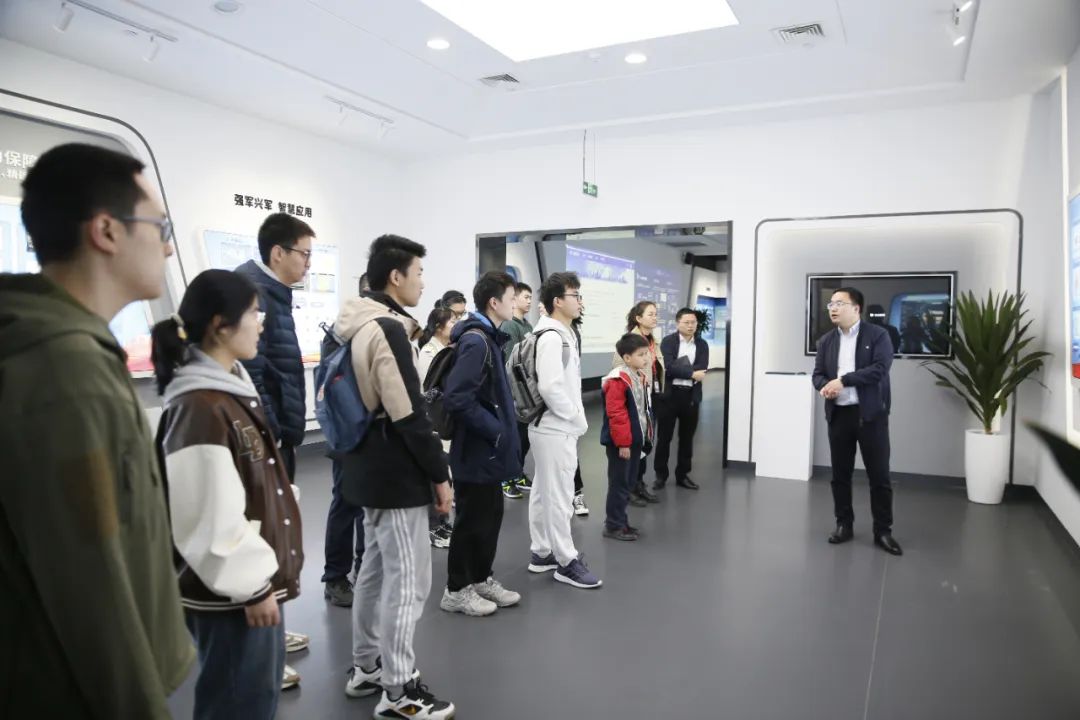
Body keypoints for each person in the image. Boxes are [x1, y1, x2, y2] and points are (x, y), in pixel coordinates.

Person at [0, 143, 194, 717]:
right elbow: (90, 583)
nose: (167, 245)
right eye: (160, 227)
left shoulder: (63, 350)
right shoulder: (67, 372)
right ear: (107, 231)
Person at [153, 269, 304, 720]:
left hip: (247, 589)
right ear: (220, 325)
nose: (261, 323)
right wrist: (251, 588)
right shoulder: (200, 406)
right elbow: (205, 516)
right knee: (237, 703)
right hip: (232, 597)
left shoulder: (227, 392)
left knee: (255, 697)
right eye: (254, 313)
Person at [337, 234, 455, 718]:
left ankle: (367, 665)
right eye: (419, 273)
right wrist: (440, 475)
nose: (423, 283)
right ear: (395, 276)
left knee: (374, 570)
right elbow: (409, 414)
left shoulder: (355, 323)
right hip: (394, 471)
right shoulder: (386, 328)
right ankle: (399, 689)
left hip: (365, 464)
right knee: (407, 581)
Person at [235, 212, 313, 685]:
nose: (308, 263)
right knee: (261, 538)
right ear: (277, 252)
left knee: (275, 538)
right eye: (304, 254)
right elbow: (254, 375)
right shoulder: (253, 293)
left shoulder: (274, 295)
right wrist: (270, 434)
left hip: (280, 435)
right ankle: (262, 649)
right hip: (268, 438)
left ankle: (274, 631)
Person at [439, 271, 523, 616]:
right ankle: (456, 589)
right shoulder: (476, 342)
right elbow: (458, 398)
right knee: (472, 519)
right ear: (494, 302)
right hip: (477, 449)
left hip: (487, 450)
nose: (515, 303)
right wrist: (496, 431)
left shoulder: (488, 338)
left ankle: (480, 577)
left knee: (490, 516)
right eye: (512, 297)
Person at [812, 288, 903, 556]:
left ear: (856, 308)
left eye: (839, 303)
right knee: (840, 475)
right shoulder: (826, 341)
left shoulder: (878, 335)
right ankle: (844, 524)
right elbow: (818, 374)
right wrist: (824, 387)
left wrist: (843, 381)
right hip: (839, 415)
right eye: (831, 304)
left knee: (879, 476)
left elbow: (879, 370)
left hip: (870, 415)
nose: (833, 308)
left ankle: (883, 531)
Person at [527, 272, 602, 589]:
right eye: (575, 295)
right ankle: (566, 560)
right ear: (557, 301)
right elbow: (550, 387)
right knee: (560, 495)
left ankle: (542, 552)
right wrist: (575, 417)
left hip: (549, 426)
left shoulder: (556, 332)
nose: (580, 301)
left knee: (543, 490)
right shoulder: (553, 337)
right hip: (555, 427)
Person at [323, 272, 370, 608]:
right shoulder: (341, 332)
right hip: (347, 434)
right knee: (345, 504)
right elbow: (332, 386)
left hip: (373, 434)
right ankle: (335, 577)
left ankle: (364, 568)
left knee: (368, 506)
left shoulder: (381, 329)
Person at [601, 333, 655, 541]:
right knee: (619, 484)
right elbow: (617, 414)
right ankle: (613, 526)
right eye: (641, 355)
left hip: (634, 441)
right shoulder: (618, 379)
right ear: (627, 357)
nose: (646, 358)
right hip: (621, 443)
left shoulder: (638, 376)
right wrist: (623, 443)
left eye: (646, 354)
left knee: (628, 482)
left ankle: (621, 522)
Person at [615, 300, 665, 504]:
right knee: (634, 444)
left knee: (645, 443)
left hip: (651, 397)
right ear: (638, 318)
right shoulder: (629, 342)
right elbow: (618, 371)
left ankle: (639, 484)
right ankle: (628, 489)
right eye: (650, 314)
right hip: (635, 399)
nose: (655, 317)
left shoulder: (653, 341)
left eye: (655, 314)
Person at [654, 308, 710, 491]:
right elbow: (668, 367)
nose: (690, 325)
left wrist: (685, 371)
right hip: (669, 396)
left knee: (687, 439)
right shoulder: (668, 342)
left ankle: (683, 475)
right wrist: (691, 373)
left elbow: (702, 368)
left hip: (690, 396)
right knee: (664, 438)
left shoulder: (702, 344)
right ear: (678, 323)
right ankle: (660, 476)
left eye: (693, 322)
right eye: (686, 322)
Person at [418, 304, 458, 549]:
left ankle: (443, 523)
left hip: (445, 418)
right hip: (434, 420)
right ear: (438, 327)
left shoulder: (446, 349)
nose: (456, 325)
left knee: (446, 474)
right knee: (437, 476)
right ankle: (434, 528)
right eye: (452, 321)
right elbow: (429, 390)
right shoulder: (428, 352)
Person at [500, 281, 534, 497]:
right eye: (525, 297)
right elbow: (512, 363)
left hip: (527, 391)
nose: (529, 301)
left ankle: (517, 473)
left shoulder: (528, 326)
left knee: (523, 438)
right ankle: (505, 479)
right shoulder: (509, 326)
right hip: (515, 392)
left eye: (531, 297)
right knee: (513, 438)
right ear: (514, 300)